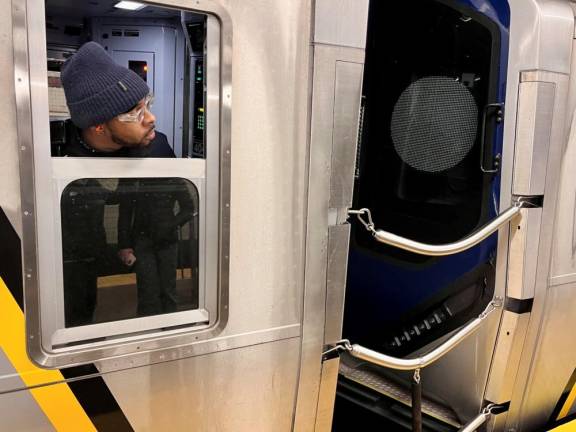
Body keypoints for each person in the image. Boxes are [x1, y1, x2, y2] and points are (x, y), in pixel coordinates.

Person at [59, 41, 194, 325]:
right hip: (73, 262)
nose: (151, 118)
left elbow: (161, 198)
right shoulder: (60, 158)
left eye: (148, 105)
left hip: (156, 238)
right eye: (135, 112)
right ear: (98, 125)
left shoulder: (158, 148)